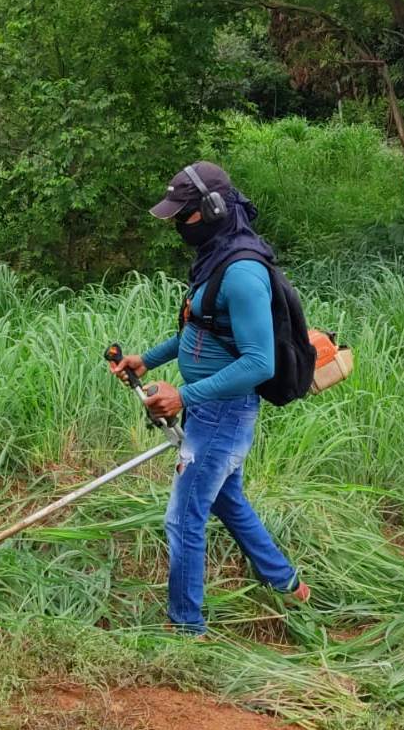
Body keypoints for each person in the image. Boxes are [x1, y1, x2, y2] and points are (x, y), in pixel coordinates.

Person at [109, 161, 310, 637]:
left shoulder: (241, 272)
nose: (179, 224)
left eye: (185, 215)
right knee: (227, 500)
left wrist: (184, 394)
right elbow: (200, 332)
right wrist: (148, 361)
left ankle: (186, 631)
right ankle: (289, 585)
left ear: (214, 208)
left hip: (224, 414)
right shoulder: (216, 258)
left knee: (182, 519)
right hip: (208, 410)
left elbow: (259, 362)